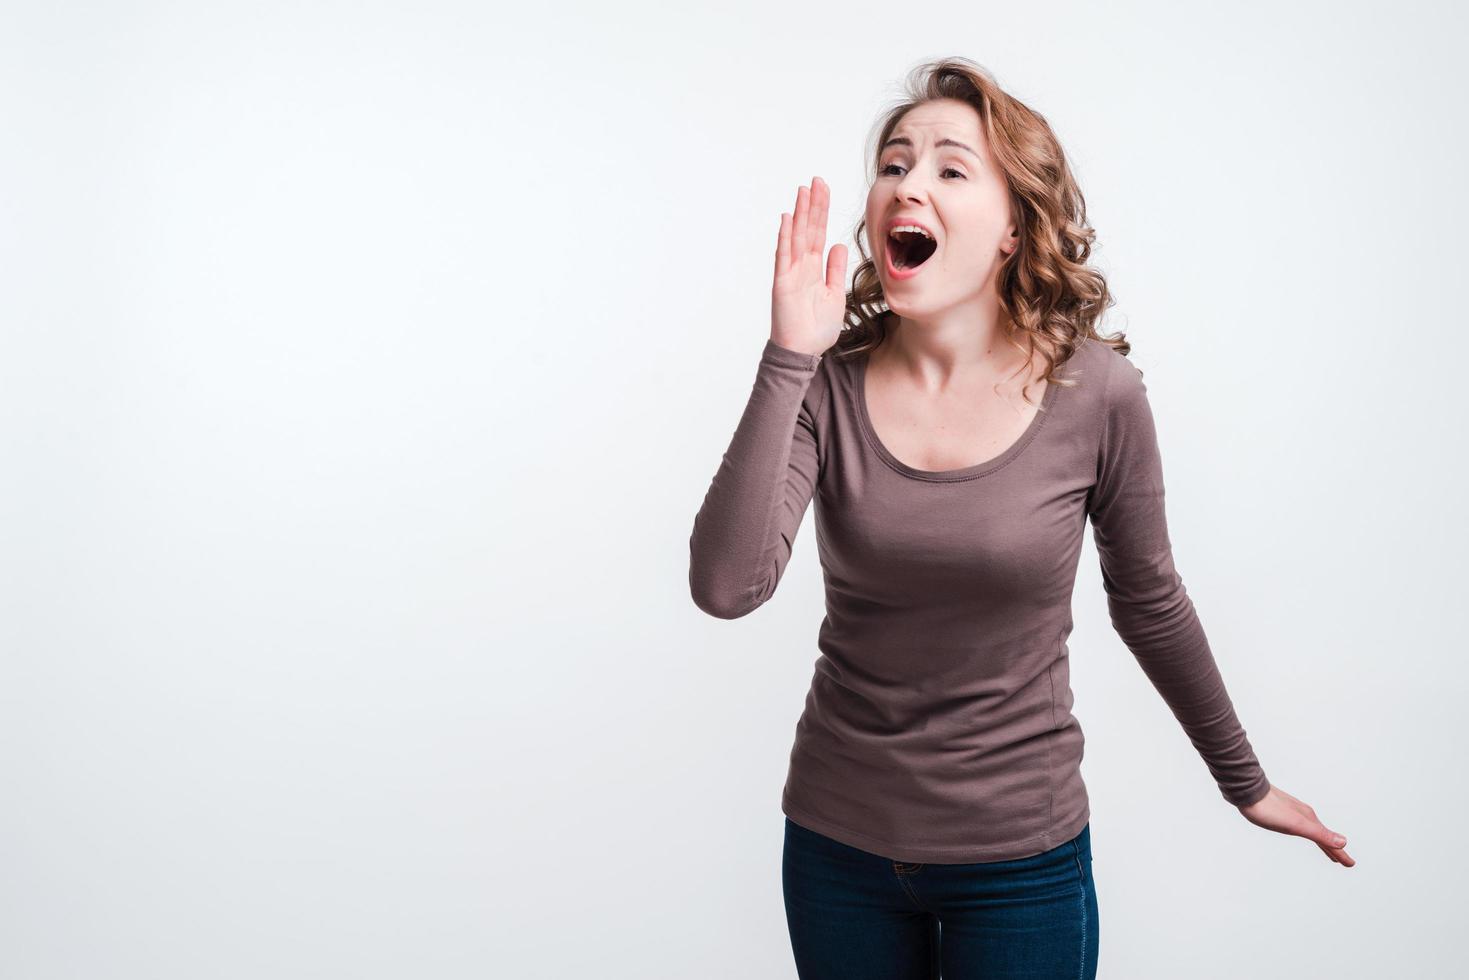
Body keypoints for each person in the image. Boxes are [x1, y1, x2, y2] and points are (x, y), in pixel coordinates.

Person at [688, 57, 1353, 980]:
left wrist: (1245, 785)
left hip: (1020, 865)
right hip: (836, 850)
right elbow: (727, 587)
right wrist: (787, 358)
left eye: (950, 169)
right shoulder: (826, 386)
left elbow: (1149, 601)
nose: (906, 184)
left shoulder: (1098, 394)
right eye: (893, 163)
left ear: (1011, 229)